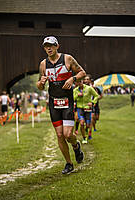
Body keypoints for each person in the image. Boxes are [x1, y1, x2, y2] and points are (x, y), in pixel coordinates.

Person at [37, 36, 86, 174]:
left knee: (68, 134)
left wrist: (72, 78)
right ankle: (69, 164)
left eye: (51, 45)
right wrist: (41, 83)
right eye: (46, 46)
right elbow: (40, 86)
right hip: (53, 101)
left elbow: (82, 72)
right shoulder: (43, 64)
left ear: (57, 46)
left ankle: (76, 147)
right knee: (59, 135)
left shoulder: (67, 59)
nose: (48, 48)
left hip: (67, 101)